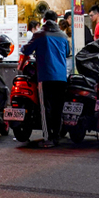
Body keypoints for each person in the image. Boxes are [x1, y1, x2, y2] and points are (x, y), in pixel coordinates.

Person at [20, 10, 70, 147]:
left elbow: (26, 50)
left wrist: (20, 66)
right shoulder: (63, 36)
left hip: (46, 76)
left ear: (44, 20)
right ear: (56, 20)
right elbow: (67, 53)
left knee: (45, 108)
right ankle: (57, 136)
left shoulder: (39, 35)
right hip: (61, 77)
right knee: (58, 107)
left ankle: (48, 138)